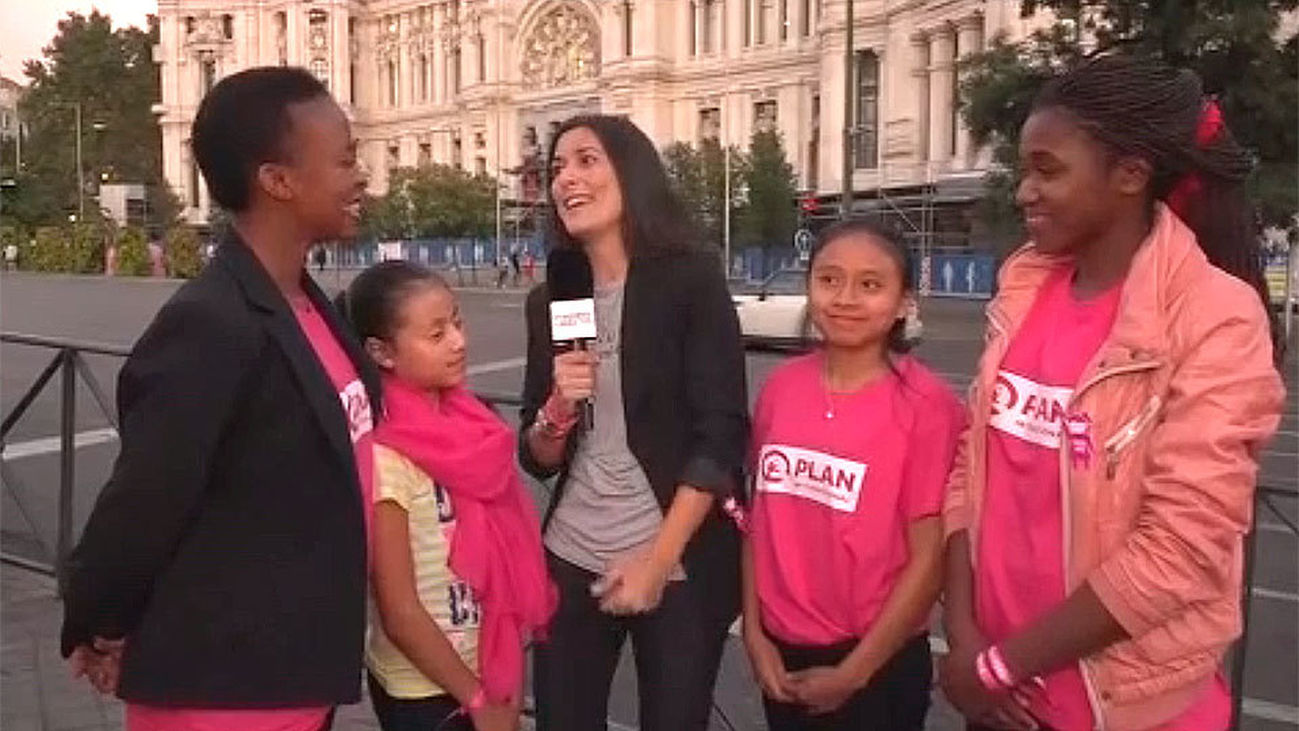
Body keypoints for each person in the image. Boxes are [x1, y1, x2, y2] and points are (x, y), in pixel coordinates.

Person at [940, 55, 1285, 731]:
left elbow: (1178, 550)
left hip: (1124, 708)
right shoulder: (1020, 289)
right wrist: (965, 638)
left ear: (1128, 175)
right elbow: (968, 471)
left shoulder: (1215, 315)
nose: (1023, 192)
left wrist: (995, 665)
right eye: (1024, 169)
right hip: (1000, 698)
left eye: (1048, 169)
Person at [60, 67, 376, 731]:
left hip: (293, 672)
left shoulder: (308, 306)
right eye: (345, 159)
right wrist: (99, 621)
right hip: (223, 690)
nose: (361, 176)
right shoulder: (211, 320)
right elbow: (144, 499)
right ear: (277, 180)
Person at [519, 114, 749, 731]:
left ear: (632, 172)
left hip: (675, 557)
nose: (567, 178)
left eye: (587, 160)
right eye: (557, 167)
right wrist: (555, 414)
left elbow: (720, 432)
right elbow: (535, 455)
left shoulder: (689, 279)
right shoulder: (552, 300)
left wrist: (656, 560)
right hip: (571, 550)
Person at [742, 219, 963, 730]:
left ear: (904, 300)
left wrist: (854, 673)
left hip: (874, 664)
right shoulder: (780, 390)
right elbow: (759, 522)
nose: (845, 298)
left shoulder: (928, 408)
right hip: (781, 656)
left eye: (870, 285)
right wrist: (754, 635)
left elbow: (930, 558)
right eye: (829, 279)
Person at [335, 260, 554, 731]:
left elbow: (505, 571)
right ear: (381, 352)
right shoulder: (384, 452)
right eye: (436, 335)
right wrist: (477, 700)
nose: (459, 342)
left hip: (490, 668)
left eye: (456, 322)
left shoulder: (474, 426)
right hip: (425, 692)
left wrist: (499, 686)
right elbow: (400, 610)